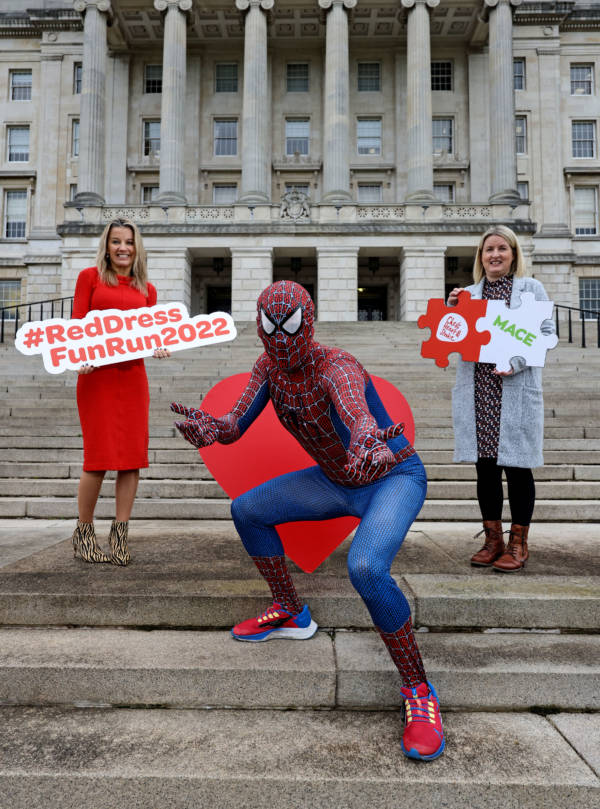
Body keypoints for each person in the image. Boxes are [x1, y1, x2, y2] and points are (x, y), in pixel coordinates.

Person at [172, 280, 445, 762]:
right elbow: (236, 426)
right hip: (334, 478)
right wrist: (212, 429)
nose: (280, 338)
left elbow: (355, 412)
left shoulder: (335, 365)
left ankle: (418, 691)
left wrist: (367, 440)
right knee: (247, 509)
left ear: (309, 321)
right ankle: (290, 609)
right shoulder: (268, 369)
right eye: (270, 328)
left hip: (391, 475)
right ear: (258, 327)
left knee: (365, 568)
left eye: (290, 326)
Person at [447, 225, 554, 572]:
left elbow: (546, 335)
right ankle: (493, 541)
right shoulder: (469, 295)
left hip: (515, 390)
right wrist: (451, 314)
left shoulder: (531, 289)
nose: (495, 255)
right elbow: (453, 341)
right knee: (486, 471)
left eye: (501, 249)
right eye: (488, 250)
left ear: (513, 254)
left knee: (519, 470)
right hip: (480, 391)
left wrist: (517, 362)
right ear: (481, 257)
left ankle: (518, 544)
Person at [71, 218, 169, 565]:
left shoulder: (148, 290)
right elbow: (78, 323)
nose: (123, 248)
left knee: (131, 460)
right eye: (116, 242)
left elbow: (151, 335)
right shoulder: (90, 278)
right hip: (97, 378)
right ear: (107, 246)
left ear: (136, 247)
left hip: (132, 379)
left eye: (128, 242)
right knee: (97, 459)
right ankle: (83, 534)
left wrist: (159, 345)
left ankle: (120, 536)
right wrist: (79, 355)